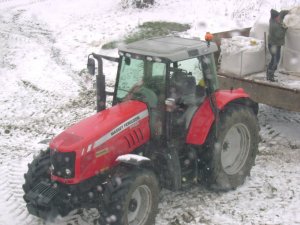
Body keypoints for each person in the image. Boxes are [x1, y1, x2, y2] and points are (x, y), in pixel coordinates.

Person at [267, 9, 289, 82]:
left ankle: (270, 73)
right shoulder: (274, 26)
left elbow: (282, 13)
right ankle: (270, 75)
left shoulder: (274, 18)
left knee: (275, 59)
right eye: (277, 17)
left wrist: (289, 11)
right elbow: (279, 35)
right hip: (274, 45)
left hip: (275, 44)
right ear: (274, 17)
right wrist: (285, 28)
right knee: (275, 60)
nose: (278, 18)